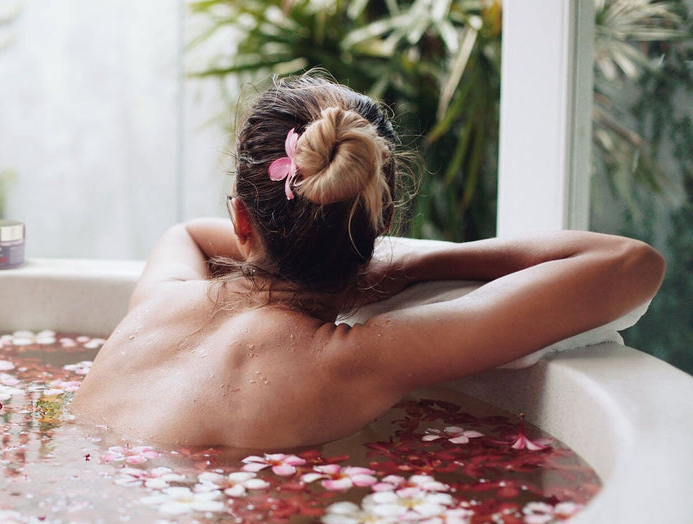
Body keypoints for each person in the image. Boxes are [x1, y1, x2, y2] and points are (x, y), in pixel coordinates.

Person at [70, 73, 665, 449]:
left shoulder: (162, 297)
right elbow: (629, 264)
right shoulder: (352, 360)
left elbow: (191, 233)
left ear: (242, 223)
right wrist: (404, 268)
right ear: (379, 227)